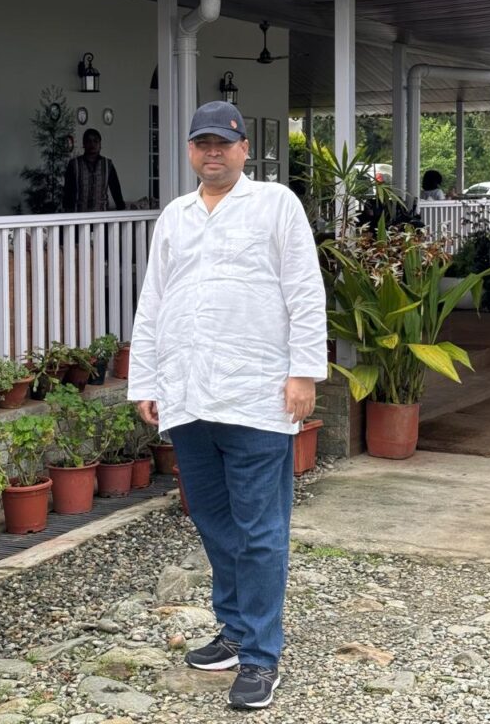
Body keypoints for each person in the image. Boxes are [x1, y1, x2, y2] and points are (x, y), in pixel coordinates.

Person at [128, 100, 327, 711]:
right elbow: (154, 301)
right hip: (189, 396)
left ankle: (263, 655)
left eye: (223, 143)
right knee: (214, 524)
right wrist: (145, 380)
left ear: (244, 149)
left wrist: (303, 372)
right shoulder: (176, 216)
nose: (212, 153)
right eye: (201, 144)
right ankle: (236, 629)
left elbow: (303, 288)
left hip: (257, 394)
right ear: (190, 152)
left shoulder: (275, 206)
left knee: (261, 530)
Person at [62, 128, 124, 212]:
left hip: (102, 216)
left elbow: (116, 189)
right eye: (89, 141)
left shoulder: (107, 164)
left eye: (95, 141)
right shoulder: (74, 164)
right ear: (84, 144)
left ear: (100, 145)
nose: (92, 144)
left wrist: (122, 209)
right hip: (79, 216)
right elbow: (68, 192)